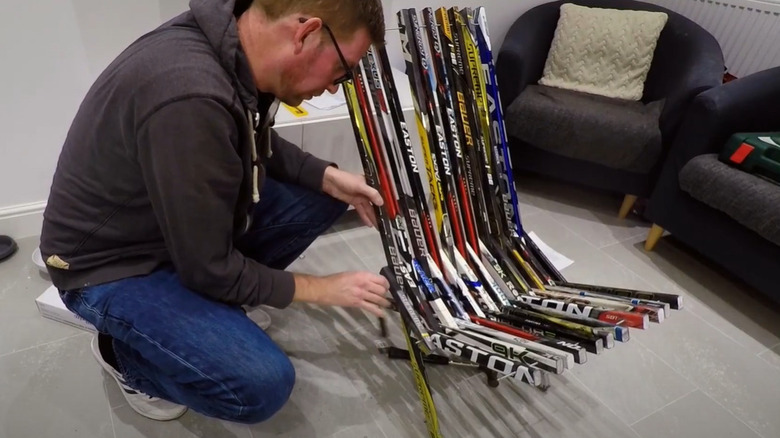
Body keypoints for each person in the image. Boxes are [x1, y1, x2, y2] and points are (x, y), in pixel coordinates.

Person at [40, 0, 391, 424]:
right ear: (306, 33)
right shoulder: (189, 95)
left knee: (322, 192)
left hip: (171, 229)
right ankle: (124, 357)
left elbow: (246, 136)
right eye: (342, 72)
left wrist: (329, 178)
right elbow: (208, 268)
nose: (337, 87)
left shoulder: (233, 44)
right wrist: (322, 288)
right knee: (260, 384)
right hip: (110, 267)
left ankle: (213, 309)